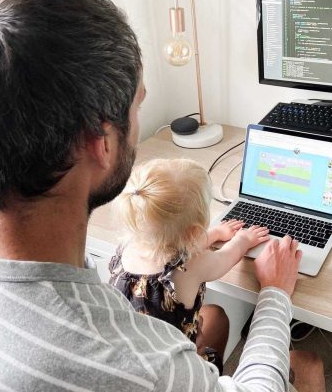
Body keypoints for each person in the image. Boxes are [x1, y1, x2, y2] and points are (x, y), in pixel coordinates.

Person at [0, 0, 325, 392]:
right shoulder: (138, 365)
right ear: (100, 143)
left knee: (217, 321)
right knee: (307, 364)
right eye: (137, 106)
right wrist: (275, 293)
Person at [108, 157, 270, 374]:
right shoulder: (191, 266)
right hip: (178, 370)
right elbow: (226, 258)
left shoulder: (127, 248)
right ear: (193, 232)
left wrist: (214, 234)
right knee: (217, 319)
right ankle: (212, 375)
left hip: (136, 355)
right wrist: (244, 240)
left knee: (215, 316)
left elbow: (170, 246)